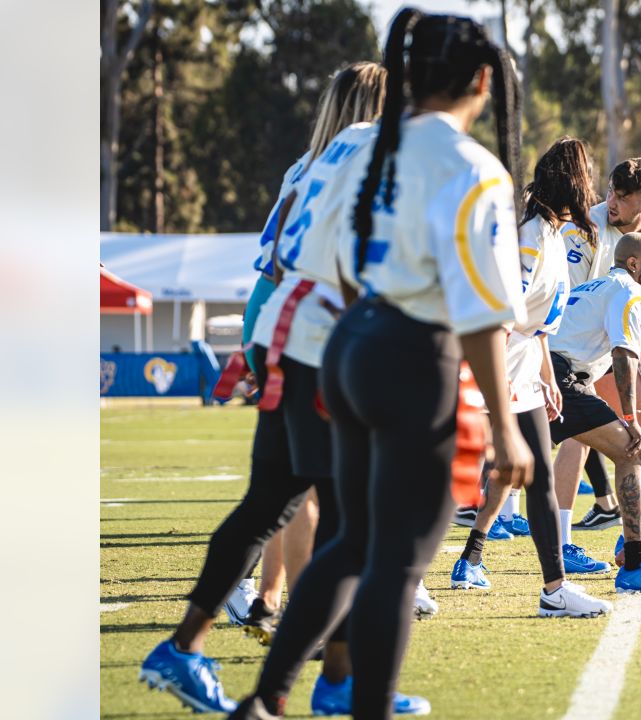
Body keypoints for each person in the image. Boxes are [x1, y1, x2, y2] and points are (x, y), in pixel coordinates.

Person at [230, 11, 533, 719]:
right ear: (483, 80)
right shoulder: (471, 168)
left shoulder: (357, 145)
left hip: (346, 343)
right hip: (410, 355)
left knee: (351, 541)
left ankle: (268, 700)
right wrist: (505, 427)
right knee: (399, 557)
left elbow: (317, 251)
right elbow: (484, 313)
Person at [139, 61, 389, 715]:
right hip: (318, 340)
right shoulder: (366, 156)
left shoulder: (306, 167)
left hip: (278, 325)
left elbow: (274, 260)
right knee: (337, 517)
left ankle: (311, 673)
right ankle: (323, 683)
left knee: (276, 500)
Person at [446, 136, 613, 618]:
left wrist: (548, 380)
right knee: (441, 482)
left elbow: (537, 330)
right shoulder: (530, 237)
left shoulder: (555, 237)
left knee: (537, 474)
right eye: (587, 177)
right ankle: (405, 579)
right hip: (486, 369)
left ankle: (553, 590)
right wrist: (489, 397)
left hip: (522, 373)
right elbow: (499, 320)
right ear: (571, 185)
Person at [544, 232, 641, 594]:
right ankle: (636, 564)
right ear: (634, 264)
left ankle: (468, 561)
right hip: (560, 378)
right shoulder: (632, 291)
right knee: (631, 450)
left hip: (538, 374)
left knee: (505, 470)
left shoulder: (595, 287)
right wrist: (630, 419)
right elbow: (624, 354)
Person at [558, 158, 641, 533]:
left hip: (616, 342)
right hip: (576, 347)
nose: (611, 201)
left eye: (623, 197)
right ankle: (572, 539)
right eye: (611, 190)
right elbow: (570, 303)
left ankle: (631, 528)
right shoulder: (583, 227)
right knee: (585, 434)